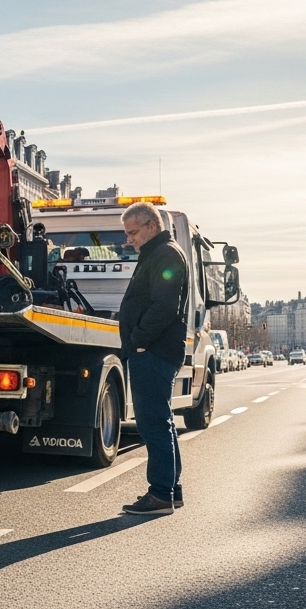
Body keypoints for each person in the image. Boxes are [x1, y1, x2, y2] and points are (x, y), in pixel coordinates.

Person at [117, 201, 190, 515]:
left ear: (151, 225)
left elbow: (164, 306)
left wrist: (139, 341)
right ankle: (170, 490)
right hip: (155, 349)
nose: (129, 239)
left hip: (154, 351)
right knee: (162, 422)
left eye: (133, 232)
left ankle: (160, 494)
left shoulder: (165, 254)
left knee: (153, 423)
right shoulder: (158, 253)